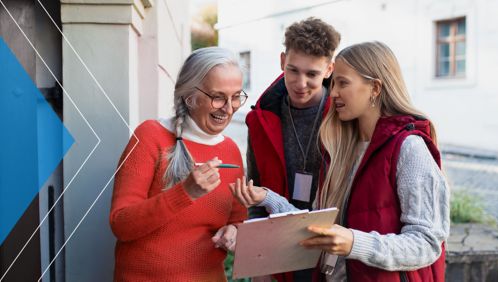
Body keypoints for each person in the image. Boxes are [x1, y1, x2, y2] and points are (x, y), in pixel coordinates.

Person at [231, 41, 450, 282]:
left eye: (343, 83)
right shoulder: (339, 148)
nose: (333, 92)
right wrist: (267, 198)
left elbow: (428, 244)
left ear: (375, 88)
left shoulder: (409, 148)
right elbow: (319, 226)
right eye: (333, 82)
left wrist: (354, 243)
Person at [109, 47, 248, 281]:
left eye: (236, 96)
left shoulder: (231, 150)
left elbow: (238, 218)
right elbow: (121, 224)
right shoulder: (150, 136)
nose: (229, 107)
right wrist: (185, 193)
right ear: (189, 96)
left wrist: (233, 232)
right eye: (218, 97)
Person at [245, 17, 341, 281]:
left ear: (329, 69)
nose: (301, 83)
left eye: (312, 74)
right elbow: (255, 191)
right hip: (279, 252)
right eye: (293, 70)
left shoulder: (345, 118)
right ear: (281, 61)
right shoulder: (260, 120)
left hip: (332, 250)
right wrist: (259, 266)